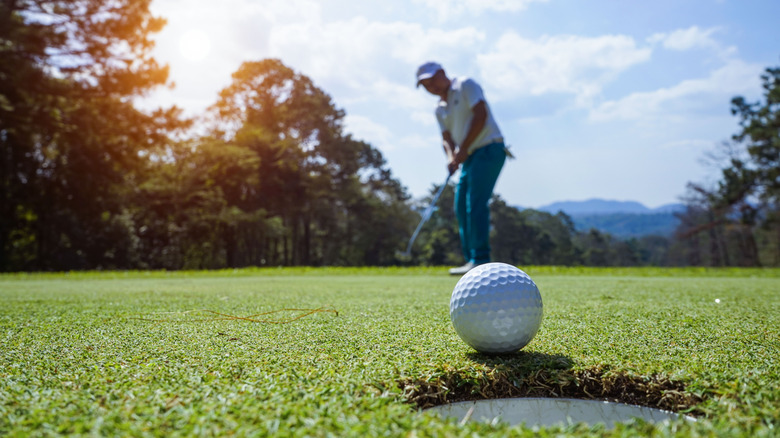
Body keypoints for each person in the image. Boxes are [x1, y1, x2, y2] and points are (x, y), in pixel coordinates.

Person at [416, 62, 508, 275]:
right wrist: (451, 157)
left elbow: (481, 114)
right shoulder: (439, 109)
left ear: (443, 73)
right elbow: (446, 138)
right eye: (426, 85)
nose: (431, 86)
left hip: (489, 148)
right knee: (461, 207)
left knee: (474, 204)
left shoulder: (465, 85)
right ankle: (471, 261)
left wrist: (463, 148)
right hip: (469, 156)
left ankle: (481, 260)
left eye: (433, 80)